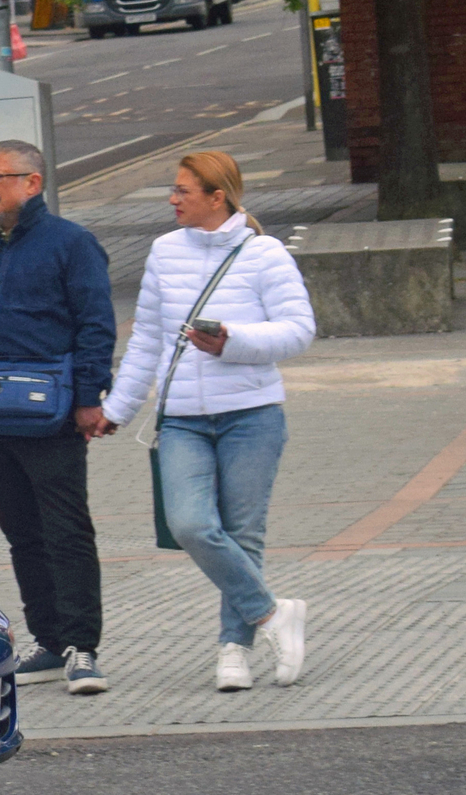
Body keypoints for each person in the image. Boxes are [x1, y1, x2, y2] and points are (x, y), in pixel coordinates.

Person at [95, 151, 316, 690]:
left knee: (243, 534)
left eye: (182, 191)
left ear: (217, 197)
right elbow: (147, 338)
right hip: (184, 420)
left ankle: (233, 650)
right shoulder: (163, 252)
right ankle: (272, 614)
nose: (172, 199)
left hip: (252, 415)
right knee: (190, 524)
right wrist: (117, 408)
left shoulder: (264, 253)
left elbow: (300, 329)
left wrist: (233, 342)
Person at [0, 139, 117, 696]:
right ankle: (47, 641)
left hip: (54, 415)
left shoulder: (72, 245)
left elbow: (96, 326)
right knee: (22, 533)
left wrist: (90, 397)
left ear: (33, 183)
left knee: (66, 531)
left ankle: (82, 647)